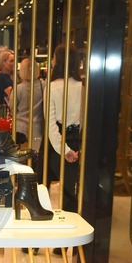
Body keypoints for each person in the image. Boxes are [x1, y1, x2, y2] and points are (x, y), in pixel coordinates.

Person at [47, 43, 83, 216]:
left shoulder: (53, 87)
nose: (52, 61)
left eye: (54, 57)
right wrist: (76, 149)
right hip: (77, 141)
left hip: (57, 144)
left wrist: (64, 149)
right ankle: (74, 225)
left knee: (44, 185)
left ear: (59, 61)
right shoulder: (83, 87)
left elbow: (51, 124)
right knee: (72, 188)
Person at [7, 58, 44, 148]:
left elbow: (12, 108)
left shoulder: (18, 88)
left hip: (21, 128)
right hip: (38, 127)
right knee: (36, 152)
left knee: (21, 153)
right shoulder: (44, 85)